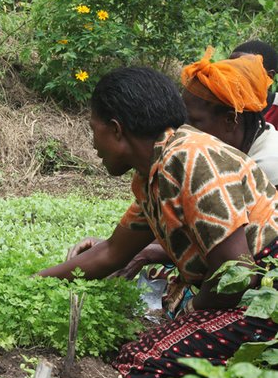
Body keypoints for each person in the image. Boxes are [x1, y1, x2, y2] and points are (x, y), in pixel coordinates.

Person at [37, 66, 277, 378]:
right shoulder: (152, 175)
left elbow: (237, 273)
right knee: (143, 353)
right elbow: (111, 253)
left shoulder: (188, 157)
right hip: (242, 290)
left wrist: (189, 316)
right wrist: (34, 283)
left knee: (139, 363)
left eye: (94, 130)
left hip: (264, 293)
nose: (93, 144)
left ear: (117, 130)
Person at [75, 48, 277, 286]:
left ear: (231, 120)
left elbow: (235, 271)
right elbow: (114, 250)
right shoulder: (158, 171)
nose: (184, 128)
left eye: (193, 121)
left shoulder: (197, 157)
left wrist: (194, 308)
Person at [230, 40, 278, 126]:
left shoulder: (275, 109)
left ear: (268, 76)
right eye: (228, 67)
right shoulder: (220, 100)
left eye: (244, 70)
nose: (231, 75)